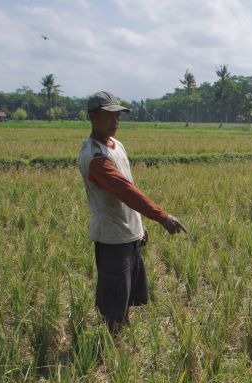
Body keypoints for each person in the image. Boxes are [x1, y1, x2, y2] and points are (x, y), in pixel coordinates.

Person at [77, 90, 187, 332]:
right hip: (112, 237)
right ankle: (111, 344)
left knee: (127, 291)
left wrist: (138, 225)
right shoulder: (96, 158)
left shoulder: (116, 145)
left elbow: (128, 188)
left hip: (129, 232)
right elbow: (125, 191)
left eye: (118, 116)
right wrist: (162, 216)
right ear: (93, 117)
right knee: (114, 294)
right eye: (109, 116)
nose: (116, 121)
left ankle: (124, 329)